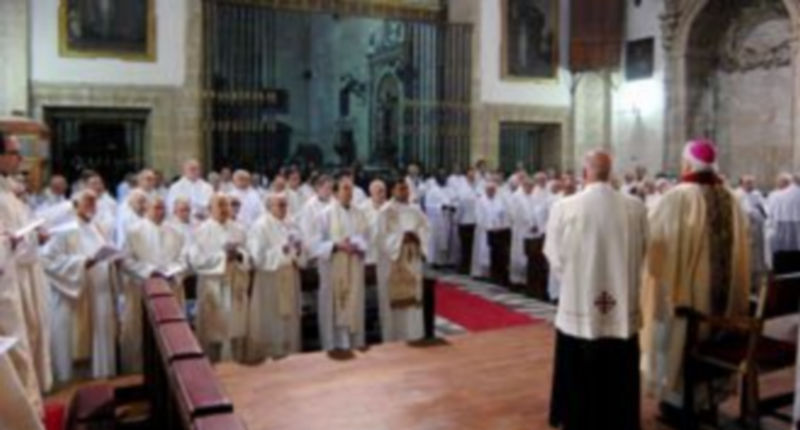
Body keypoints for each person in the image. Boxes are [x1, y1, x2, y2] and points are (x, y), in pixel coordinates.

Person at [642, 139, 750, 415]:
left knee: (674, 333)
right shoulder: (730, 197)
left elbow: (656, 241)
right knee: (710, 331)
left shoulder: (679, 196)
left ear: (688, 163)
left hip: (688, 299)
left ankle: (679, 401)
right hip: (723, 306)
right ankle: (709, 399)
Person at [545, 150, 647, 430]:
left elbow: (554, 256)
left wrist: (578, 281)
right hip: (622, 307)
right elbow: (644, 251)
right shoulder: (635, 206)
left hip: (579, 305)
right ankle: (620, 418)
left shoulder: (565, 207)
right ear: (611, 172)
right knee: (619, 364)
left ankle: (576, 417)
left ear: (585, 172)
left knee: (577, 359)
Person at [41, 189, 120, 384]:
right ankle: (72, 389)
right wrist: (82, 263)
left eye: (94, 202)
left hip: (99, 295)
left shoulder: (95, 227)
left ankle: (102, 382)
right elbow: (47, 260)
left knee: (99, 342)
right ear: (75, 204)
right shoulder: (63, 229)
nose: (91, 206)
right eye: (87, 202)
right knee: (75, 345)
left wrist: (111, 260)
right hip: (74, 295)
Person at [0, 131, 43, 414]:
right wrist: (10, 241)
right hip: (5, 284)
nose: (20, 159)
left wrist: (34, 236)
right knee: (16, 350)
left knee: (27, 342)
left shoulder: (9, 192)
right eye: (15, 152)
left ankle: (30, 408)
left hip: (19, 276)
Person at [120, 197, 188, 373]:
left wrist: (172, 270)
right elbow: (125, 260)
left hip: (170, 287)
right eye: (156, 208)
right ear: (146, 209)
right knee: (141, 333)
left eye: (163, 208)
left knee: (171, 333)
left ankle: (172, 369)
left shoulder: (176, 231)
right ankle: (138, 370)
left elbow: (184, 258)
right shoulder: (133, 231)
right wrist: (150, 271)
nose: (161, 212)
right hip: (142, 289)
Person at [188, 193, 250, 362]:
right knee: (213, 334)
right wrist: (223, 257)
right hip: (213, 287)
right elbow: (196, 260)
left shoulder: (238, 228)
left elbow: (248, 255)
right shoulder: (200, 231)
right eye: (220, 205)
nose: (224, 209)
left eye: (227, 205)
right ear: (210, 209)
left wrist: (238, 255)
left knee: (235, 332)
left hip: (234, 284)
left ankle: (236, 371)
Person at [310, 176, 369, 351]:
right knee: (333, 307)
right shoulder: (324, 215)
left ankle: (354, 342)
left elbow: (367, 238)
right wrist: (337, 245)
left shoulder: (359, 214)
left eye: (351, 189)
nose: (349, 193)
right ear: (335, 192)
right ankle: (333, 345)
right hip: (333, 268)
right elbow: (314, 244)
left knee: (354, 303)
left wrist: (360, 246)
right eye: (345, 188)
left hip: (354, 267)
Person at [245, 193, 305, 361]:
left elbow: (302, 252)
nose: (283, 208)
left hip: (289, 278)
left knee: (289, 322)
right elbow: (257, 257)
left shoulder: (291, 223)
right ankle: (269, 358)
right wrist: (281, 251)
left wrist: (299, 251)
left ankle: (291, 355)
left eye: (285, 204)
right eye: (279, 205)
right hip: (269, 282)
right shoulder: (260, 226)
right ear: (269, 206)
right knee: (271, 321)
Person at [375, 180, 430, 342]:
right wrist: (401, 239)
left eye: (406, 188)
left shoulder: (416, 210)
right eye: (400, 189)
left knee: (412, 307)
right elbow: (380, 238)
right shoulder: (385, 211)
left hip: (412, 260)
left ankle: (414, 335)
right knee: (394, 309)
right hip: (393, 264)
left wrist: (417, 237)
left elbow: (426, 229)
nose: (404, 191)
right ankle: (393, 339)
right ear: (393, 190)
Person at [471, 179, 512, 285]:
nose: (491, 192)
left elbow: (503, 213)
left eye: (493, 190)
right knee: (483, 252)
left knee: (496, 253)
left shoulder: (499, 200)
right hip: (484, 231)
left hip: (497, 231)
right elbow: (478, 217)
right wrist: (488, 226)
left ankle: (495, 274)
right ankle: (481, 273)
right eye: (489, 190)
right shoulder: (481, 201)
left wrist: (500, 225)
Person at [764, 173, 800, 272]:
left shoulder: (776, 196)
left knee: (782, 273)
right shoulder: (776, 195)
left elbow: (768, 215)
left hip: (780, 244)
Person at [509, 176, 540, 286]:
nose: (531, 189)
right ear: (524, 185)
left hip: (532, 232)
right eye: (529, 186)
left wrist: (535, 224)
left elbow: (536, 211)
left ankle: (527, 279)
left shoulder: (533, 196)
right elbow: (514, 214)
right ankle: (517, 279)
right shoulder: (516, 197)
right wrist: (528, 224)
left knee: (530, 256)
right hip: (520, 230)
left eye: (532, 187)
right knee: (519, 253)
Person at [424, 170, 458, 267]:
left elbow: (455, 200)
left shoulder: (450, 189)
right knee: (436, 240)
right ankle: (435, 261)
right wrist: (440, 207)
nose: (443, 178)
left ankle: (447, 261)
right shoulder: (432, 190)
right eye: (441, 176)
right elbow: (428, 205)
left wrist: (454, 206)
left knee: (449, 240)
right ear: (437, 178)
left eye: (445, 176)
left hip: (448, 218)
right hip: (436, 220)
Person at [455, 167, 481, 274]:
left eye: (474, 174)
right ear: (466, 175)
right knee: (465, 246)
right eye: (470, 174)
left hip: (475, 221)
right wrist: (457, 219)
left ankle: (470, 266)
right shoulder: (462, 188)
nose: (472, 176)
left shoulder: (477, 187)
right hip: (464, 221)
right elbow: (460, 205)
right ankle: (464, 266)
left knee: (473, 246)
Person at [358, 179, 388, 266]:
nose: (382, 195)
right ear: (371, 193)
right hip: (368, 254)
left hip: (385, 255)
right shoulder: (362, 209)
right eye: (379, 192)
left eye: (384, 191)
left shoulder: (391, 208)